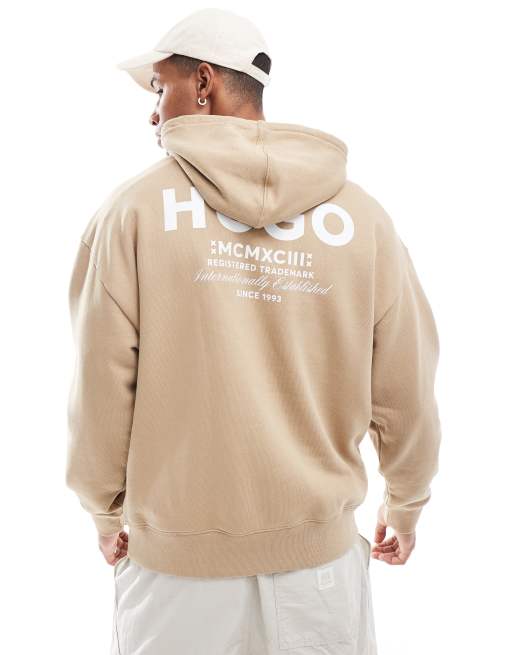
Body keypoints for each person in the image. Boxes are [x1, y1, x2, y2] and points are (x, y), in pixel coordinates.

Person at [65, 8, 442, 655]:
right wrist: (405, 502)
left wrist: (103, 507)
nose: (153, 113)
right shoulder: (361, 219)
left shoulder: (133, 213)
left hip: (178, 578)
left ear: (203, 83)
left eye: (159, 87)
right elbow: (405, 382)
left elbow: (102, 384)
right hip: (319, 575)